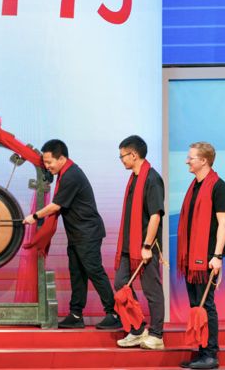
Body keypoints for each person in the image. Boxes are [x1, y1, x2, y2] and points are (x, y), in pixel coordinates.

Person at [23, 139, 121, 329]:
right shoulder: (64, 173)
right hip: (77, 234)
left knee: (94, 271)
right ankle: (76, 315)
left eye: (49, 162)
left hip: (88, 233)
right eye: (45, 162)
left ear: (62, 159)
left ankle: (114, 313)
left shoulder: (71, 175)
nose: (47, 166)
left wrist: (34, 216)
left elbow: (56, 205)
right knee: (77, 274)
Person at [178, 142, 225, 370]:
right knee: (195, 306)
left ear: (204, 161)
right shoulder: (195, 187)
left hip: (208, 257)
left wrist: (217, 256)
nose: (187, 161)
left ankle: (210, 354)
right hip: (192, 257)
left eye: (190, 158)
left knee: (206, 305)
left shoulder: (219, 187)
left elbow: (223, 224)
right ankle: (201, 352)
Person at [113, 135, 165, 350]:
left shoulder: (152, 178)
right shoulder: (134, 178)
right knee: (120, 284)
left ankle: (157, 335)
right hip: (129, 246)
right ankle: (137, 329)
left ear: (133, 155)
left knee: (152, 290)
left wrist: (147, 246)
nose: (121, 160)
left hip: (145, 247)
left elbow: (155, 216)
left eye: (122, 156)